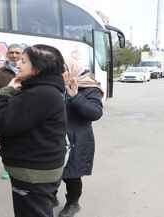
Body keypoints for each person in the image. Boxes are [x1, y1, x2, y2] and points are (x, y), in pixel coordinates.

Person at [0, 44, 67, 217]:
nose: (17, 64)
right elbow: (29, 125)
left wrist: (7, 89)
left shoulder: (40, 93)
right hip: (37, 170)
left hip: (32, 173)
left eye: (23, 61)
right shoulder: (44, 90)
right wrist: (4, 137)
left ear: (38, 68)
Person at [58, 57, 104, 217]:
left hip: (77, 138)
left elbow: (95, 113)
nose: (60, 74)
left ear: (71, 69)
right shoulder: (55, 85)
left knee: (72, 175)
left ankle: (73, 203)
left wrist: (75, 96)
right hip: (56, 138)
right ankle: (50, 196)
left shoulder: (89, 87)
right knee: (53, 172)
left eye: (62, 70)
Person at [0, 43, 24, 180]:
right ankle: (7, 168)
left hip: (24, 110)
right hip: (7, 111)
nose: (14, 55)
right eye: (11, 53)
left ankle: (22, 166)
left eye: (17, 53)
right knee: (5, 141)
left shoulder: (28, 71)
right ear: (7, 55)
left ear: (22, 55)